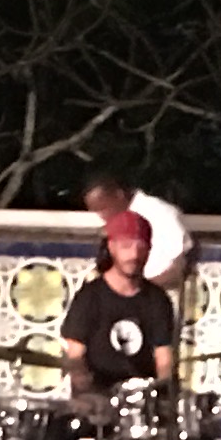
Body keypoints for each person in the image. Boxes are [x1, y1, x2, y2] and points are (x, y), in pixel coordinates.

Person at [59, 211, 178, 406]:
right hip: (97, 400)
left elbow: (164, 358)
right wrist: (83, 384)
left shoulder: (157, 299)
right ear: (111, 247)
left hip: (141, 400)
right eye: (126, 246)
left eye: (141, 247)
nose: (134, 255)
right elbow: (74, 355)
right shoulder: (90, 296)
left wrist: (163, 394)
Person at [78, 169, 192, 299]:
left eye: (104, 209)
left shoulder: (161, 214)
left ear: (119, 195)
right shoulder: (117, 223)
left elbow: (176, 266)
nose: (102, 216)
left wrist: (138, 289)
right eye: (97, 212)